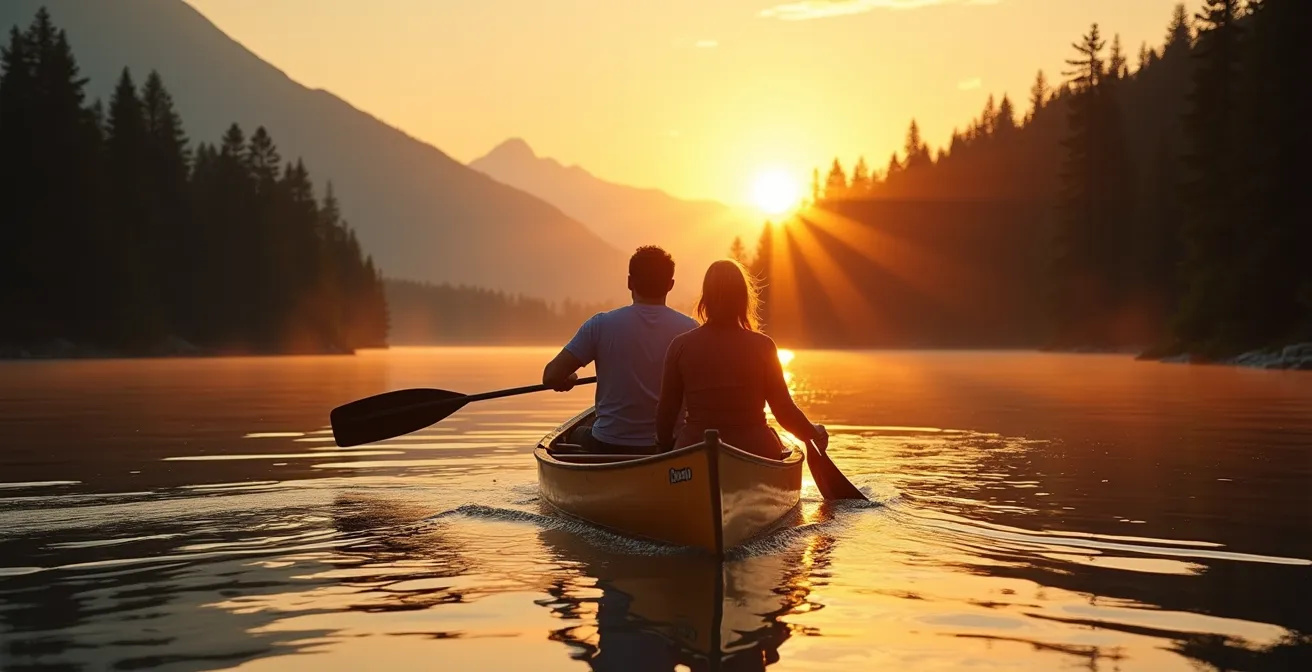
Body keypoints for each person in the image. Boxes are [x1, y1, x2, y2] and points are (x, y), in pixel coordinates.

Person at [655, 259, 827, 459]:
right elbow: (783, 410)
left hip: (694, 449)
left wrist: (664, 448)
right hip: (756, 450)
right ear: (743, 299)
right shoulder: (764, 346)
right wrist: (813, 433)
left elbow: (666, 412)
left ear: (706, 299)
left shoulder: (680, 346)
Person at [543, 246, 699, 453]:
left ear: (629, 282)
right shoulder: (690, 329)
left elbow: (551, 376)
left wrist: (568, 378)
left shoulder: (600, 325)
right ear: (670, 285)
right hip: (668, 447)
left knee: (576, 434)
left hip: (607, 444)